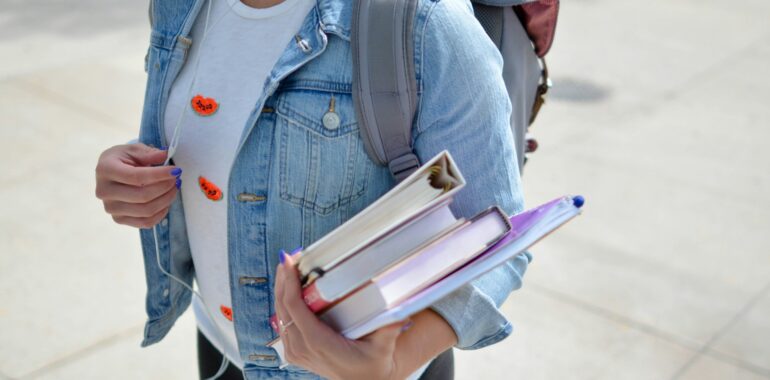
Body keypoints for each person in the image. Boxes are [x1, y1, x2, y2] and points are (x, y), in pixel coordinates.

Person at [95, 0, 533, 378]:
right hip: (220, 347)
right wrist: (132, 179)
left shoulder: (425, 22)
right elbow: (201, 138)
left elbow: (496, 233)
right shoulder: (181, 8)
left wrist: (395, 362)